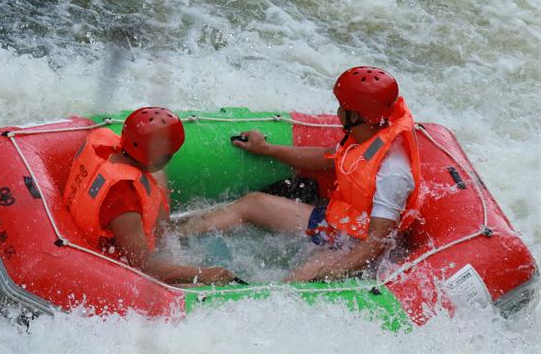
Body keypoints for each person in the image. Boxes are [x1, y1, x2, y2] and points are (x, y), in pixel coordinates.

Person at [179, 66, 423, 283]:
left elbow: (377, 241)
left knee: (293, 284)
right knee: (252, 203)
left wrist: (333, 272)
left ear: (357, 115)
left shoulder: (393, 172)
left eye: (342, 107)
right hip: (334, 222)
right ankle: (174, 238)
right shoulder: (367, 132)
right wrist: (268, 150)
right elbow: (326, 157)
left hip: (355, 245)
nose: (337, 111)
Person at [64, 106, 235, 285]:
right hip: (111, 268)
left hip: (105, 218)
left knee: (157, 176)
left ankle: (174, 229)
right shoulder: (123, 202)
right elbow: (144, 265)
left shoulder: (107, 145)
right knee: (197, 282)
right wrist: (202, 274)